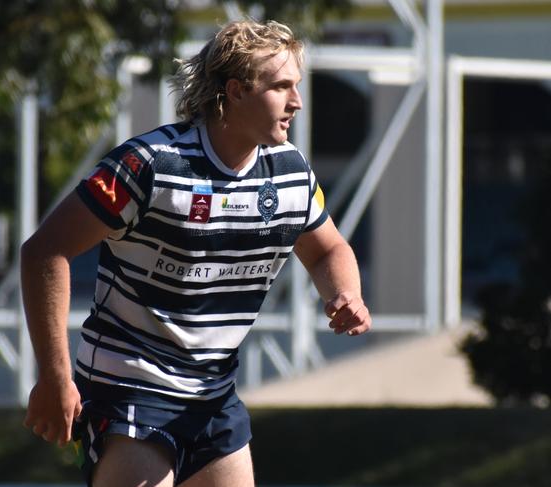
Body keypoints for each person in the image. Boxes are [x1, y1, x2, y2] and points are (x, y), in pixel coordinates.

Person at [21, 18, 371, 487]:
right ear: (236, 91)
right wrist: (54, 377)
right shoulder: (151, 166)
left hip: (212, 394)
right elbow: (45, 252)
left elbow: (328, 248)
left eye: (297, 86)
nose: (297, 102)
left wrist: (346, 294)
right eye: (281, 86)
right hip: (130, 386)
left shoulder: (291, 173)